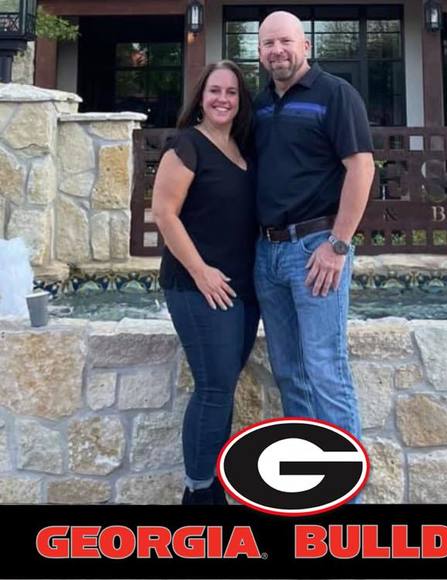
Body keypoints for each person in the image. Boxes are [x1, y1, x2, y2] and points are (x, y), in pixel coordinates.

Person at [253, 11, 376, 441]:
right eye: (269, 44)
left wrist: (338, 245)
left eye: (285, 41)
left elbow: (361, 168)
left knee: (325, 368)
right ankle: (310, 471)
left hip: (315, 249)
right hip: (267, 253)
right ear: (260, 52)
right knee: (289, 372)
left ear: (306, 46)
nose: (277, 51)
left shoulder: (336, 94)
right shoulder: (260, 104)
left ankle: (347, 479)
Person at [152, 60, 259, 505]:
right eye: (215, 90)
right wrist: (201, 271)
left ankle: (214, 486)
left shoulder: (242, 148)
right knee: (214, 387)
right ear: (200, 97)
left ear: (240, 101)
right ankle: (197, 493)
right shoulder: (186, 146)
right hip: (196, 287)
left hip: (241, 289)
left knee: (223, 387)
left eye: (231, 92)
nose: (222, 99)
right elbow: (164, 214)